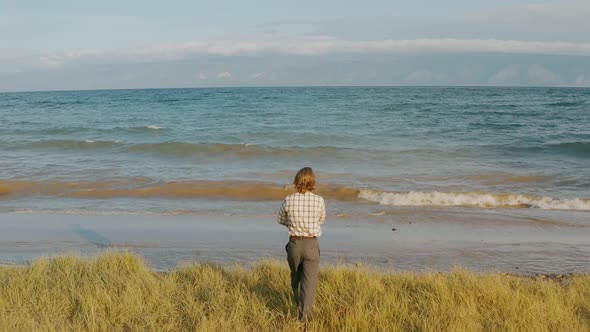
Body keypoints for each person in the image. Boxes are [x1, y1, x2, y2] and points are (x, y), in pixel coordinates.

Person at [277, 167, 326, 322]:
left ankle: (297, 303)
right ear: (313, 181)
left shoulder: (289, 199)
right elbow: (321, 220)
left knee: (296, 276)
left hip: (294, 243)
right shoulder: (319, 200)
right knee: (309, 282)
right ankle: (304, 317)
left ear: (297, 180)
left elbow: (281, 220)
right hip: (311, 243)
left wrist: (294, 226)